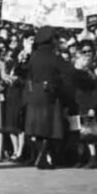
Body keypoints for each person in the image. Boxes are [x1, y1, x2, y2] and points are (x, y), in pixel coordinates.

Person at [25, 27, 72, 169]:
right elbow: (68, 72)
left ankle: (42, 157)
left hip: (35, 94)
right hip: (49, 94)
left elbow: (29, 75)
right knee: (49, 129)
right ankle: (43, 158)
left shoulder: (34, 56)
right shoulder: (53, 57)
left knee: (38, 130)